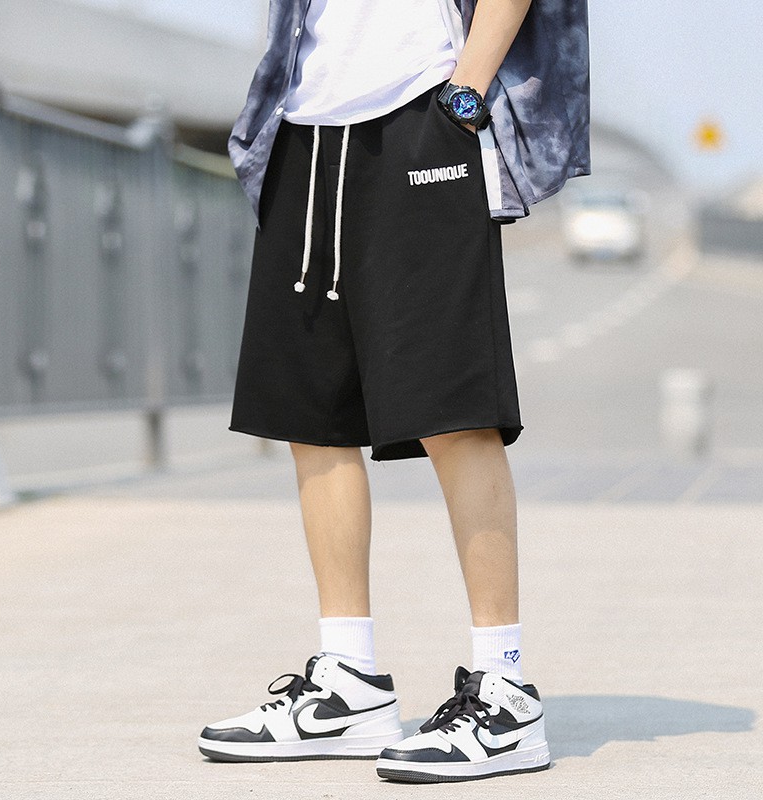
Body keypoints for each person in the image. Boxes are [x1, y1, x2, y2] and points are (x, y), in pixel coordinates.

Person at [199, 0, 590, 783]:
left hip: (422, 111)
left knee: (456, 412)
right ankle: (349, 683)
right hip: (301, 123)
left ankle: (505, 689)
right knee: (315, 415)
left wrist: (466, 94)